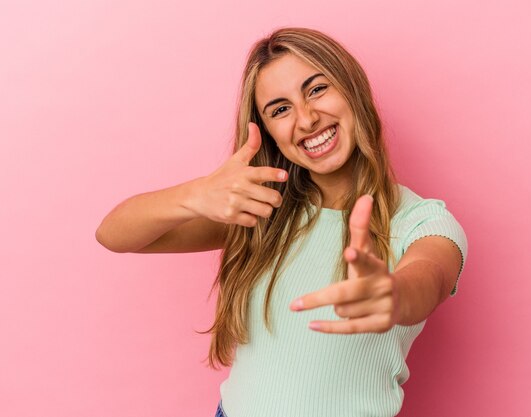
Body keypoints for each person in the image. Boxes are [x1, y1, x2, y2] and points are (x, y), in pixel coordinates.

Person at [96, 27, 468, 417]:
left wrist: (392, 296)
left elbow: (431, 277)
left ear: (352, 89)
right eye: (280, 109)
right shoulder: (263, 209)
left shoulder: (422, 220)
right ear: (270, 132)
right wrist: (195, 194)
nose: (306, 119)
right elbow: (114, 234)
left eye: (317, 89)